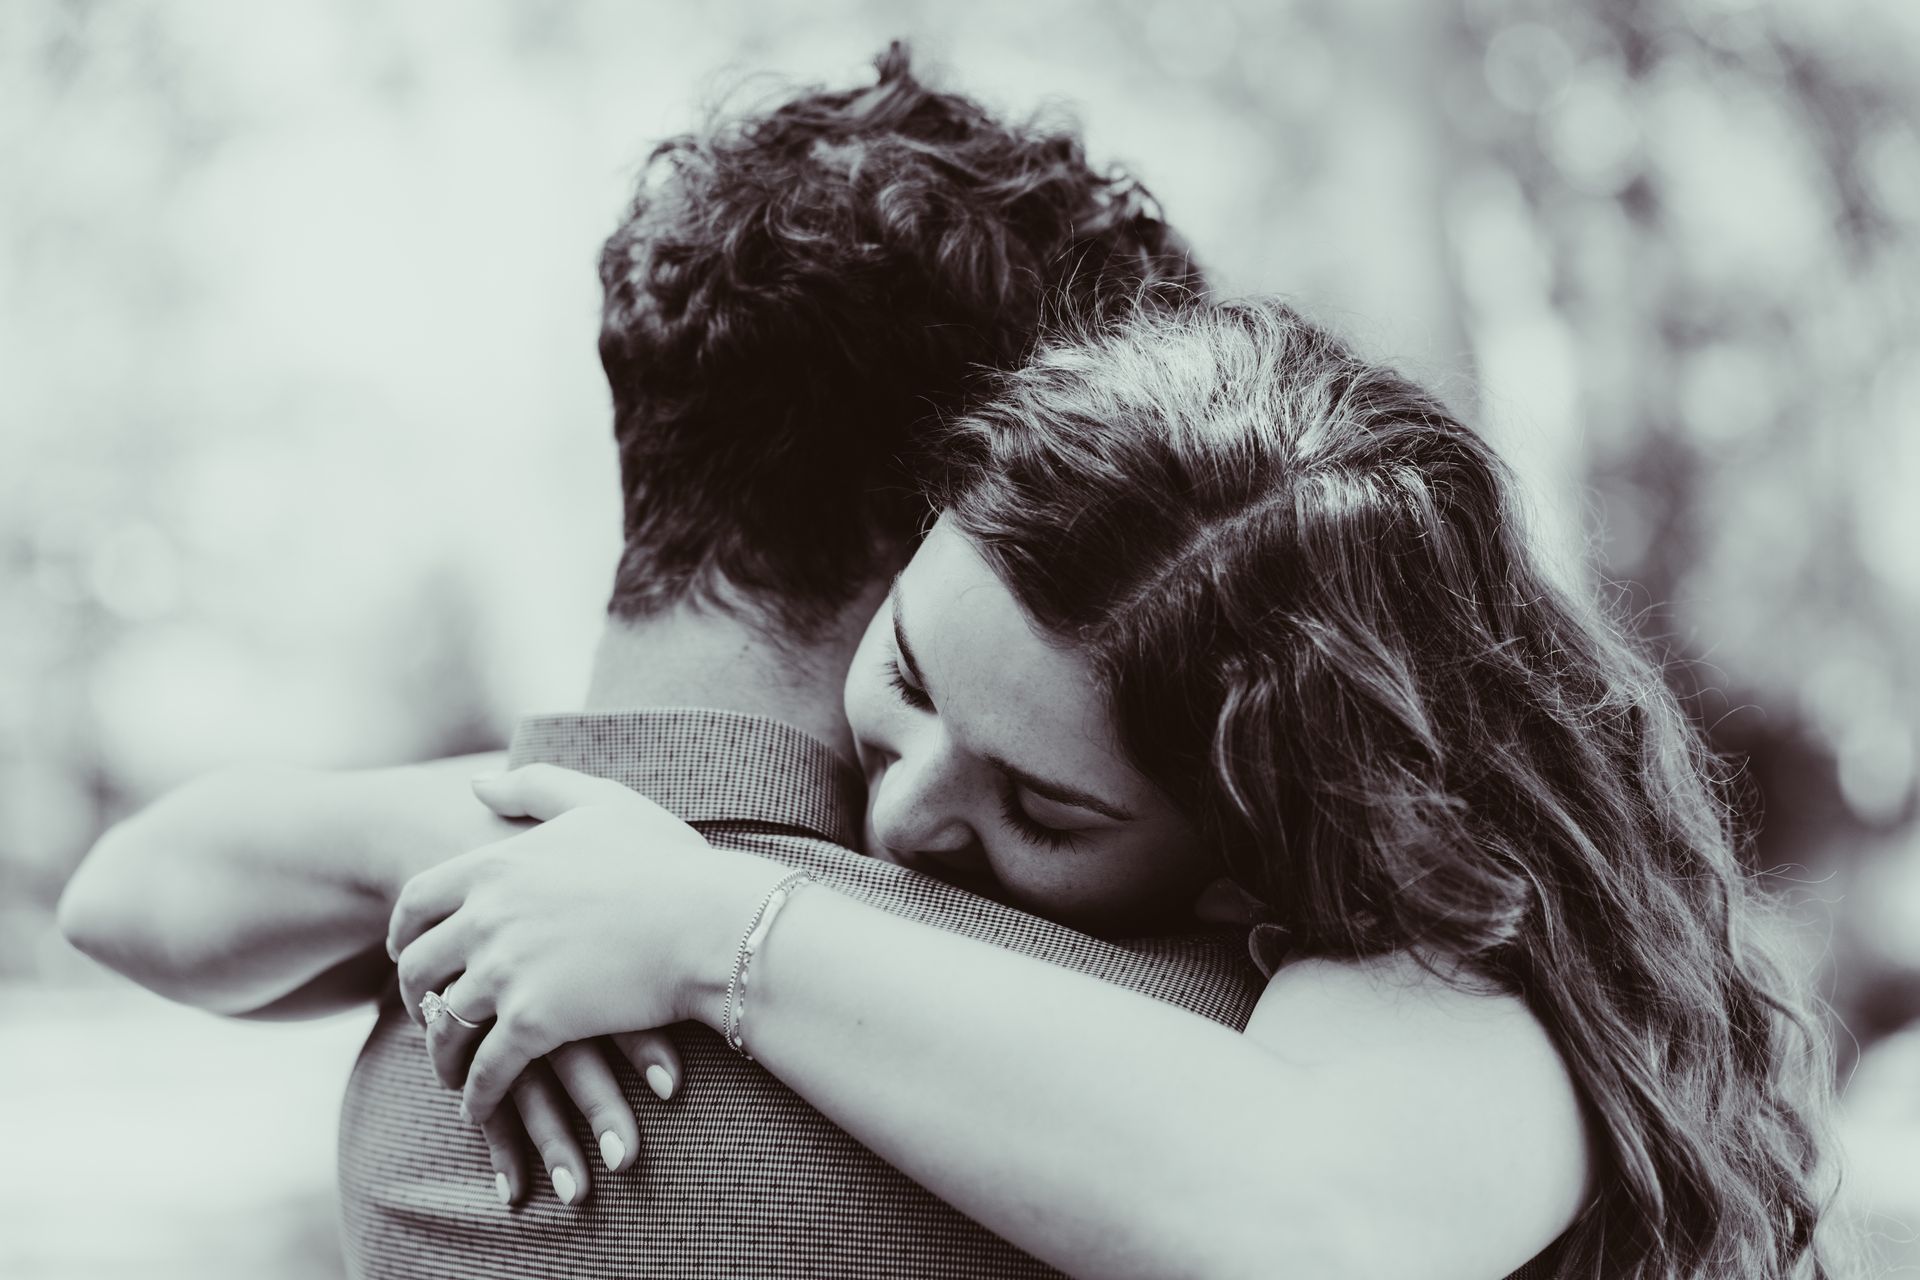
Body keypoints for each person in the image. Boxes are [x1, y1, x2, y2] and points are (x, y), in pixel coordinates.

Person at [58, 45, 1242, 1280]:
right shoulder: (1172, 1033)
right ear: (966, 522)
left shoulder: (452, 955)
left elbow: (122, 903)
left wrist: (452, 826)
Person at [384, 298, 1841, 1280]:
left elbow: (1330, 1227)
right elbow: (171, 886)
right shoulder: (914, 811)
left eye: (1046, 813)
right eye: (909, 674)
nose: (899, 818)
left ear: (1268, 850)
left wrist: (713, 931)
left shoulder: (1467, 1008)